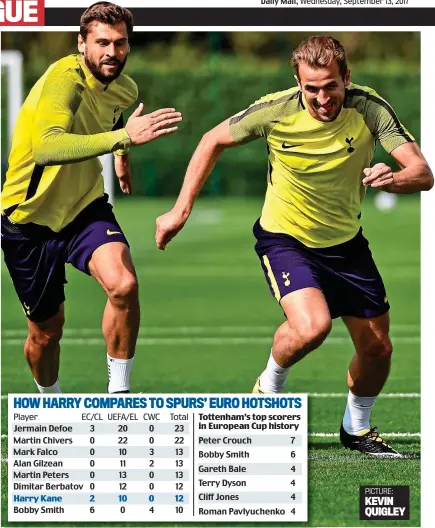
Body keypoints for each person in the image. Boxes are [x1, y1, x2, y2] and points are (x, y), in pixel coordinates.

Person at [155, 36, 433, 457]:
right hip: (286, 239)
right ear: (298, 84)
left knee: (378, 348)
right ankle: (269, 386)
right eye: (312, 89)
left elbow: (422, 173)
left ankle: (356, 429)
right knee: (312, 326)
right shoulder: (275, 110)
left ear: (346, 79)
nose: (323, 98)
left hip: (346, 244)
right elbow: (212, 140)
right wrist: (180, 210)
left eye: (331, 86)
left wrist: (393, 178)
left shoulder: (370, 108)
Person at [1, 1, 182, 394]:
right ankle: (50, 401)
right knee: (46, 334)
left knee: (124, 285)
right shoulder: (64, 80)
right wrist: (123, 140)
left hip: (85, 206)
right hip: (27, 218)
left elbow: (116, 119)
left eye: (120, 43)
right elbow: (47, 148)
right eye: (102, 42)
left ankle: (119, 396)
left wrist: (121, 158)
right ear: (81, 43)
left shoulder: (125, 87)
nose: (111, 52)